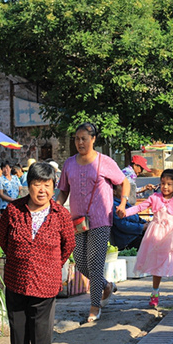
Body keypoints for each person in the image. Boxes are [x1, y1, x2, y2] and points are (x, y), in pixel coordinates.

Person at [0, 162, 76, 344]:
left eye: (47, 185)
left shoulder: (60, 215)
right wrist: (22, 259)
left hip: (45, 284)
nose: (42, 190)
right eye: (36, 184)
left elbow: (68, 245)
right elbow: (2, 239)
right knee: (19, 333)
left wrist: (49, 265)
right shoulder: (13, 210)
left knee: (41, 335)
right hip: (16, 280)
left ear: (54, 187)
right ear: (28, 186)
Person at [57, 122, 130, 322]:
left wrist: (123, 203)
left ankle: (94, 306)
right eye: (77, 139)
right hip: (78, 221)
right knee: (80, 262)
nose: (80, 142)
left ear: (93, 139)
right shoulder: (69, 163)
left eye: (84, 139)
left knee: (95, 263)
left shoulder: (105, 162)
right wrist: (55, 207)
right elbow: (63, 190)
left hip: (100, 218)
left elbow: (124, 181)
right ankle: (106, 285)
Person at [121, 169, 173, 310]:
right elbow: (138, 207)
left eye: (169, 184)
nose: (165, 187)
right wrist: (125, 212)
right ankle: (155, 293)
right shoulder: (154, 198)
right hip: (157, 236)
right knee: (156, 267)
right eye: (162, 183)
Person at [111, 184, 147, 251]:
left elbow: (137, 218)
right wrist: (142, 227)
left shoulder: (124, 203)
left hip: (137, 235)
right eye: (121, 186)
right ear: (114, 192)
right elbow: (123, 225)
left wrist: (147, 224)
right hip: (129, 240)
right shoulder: (114, 205)